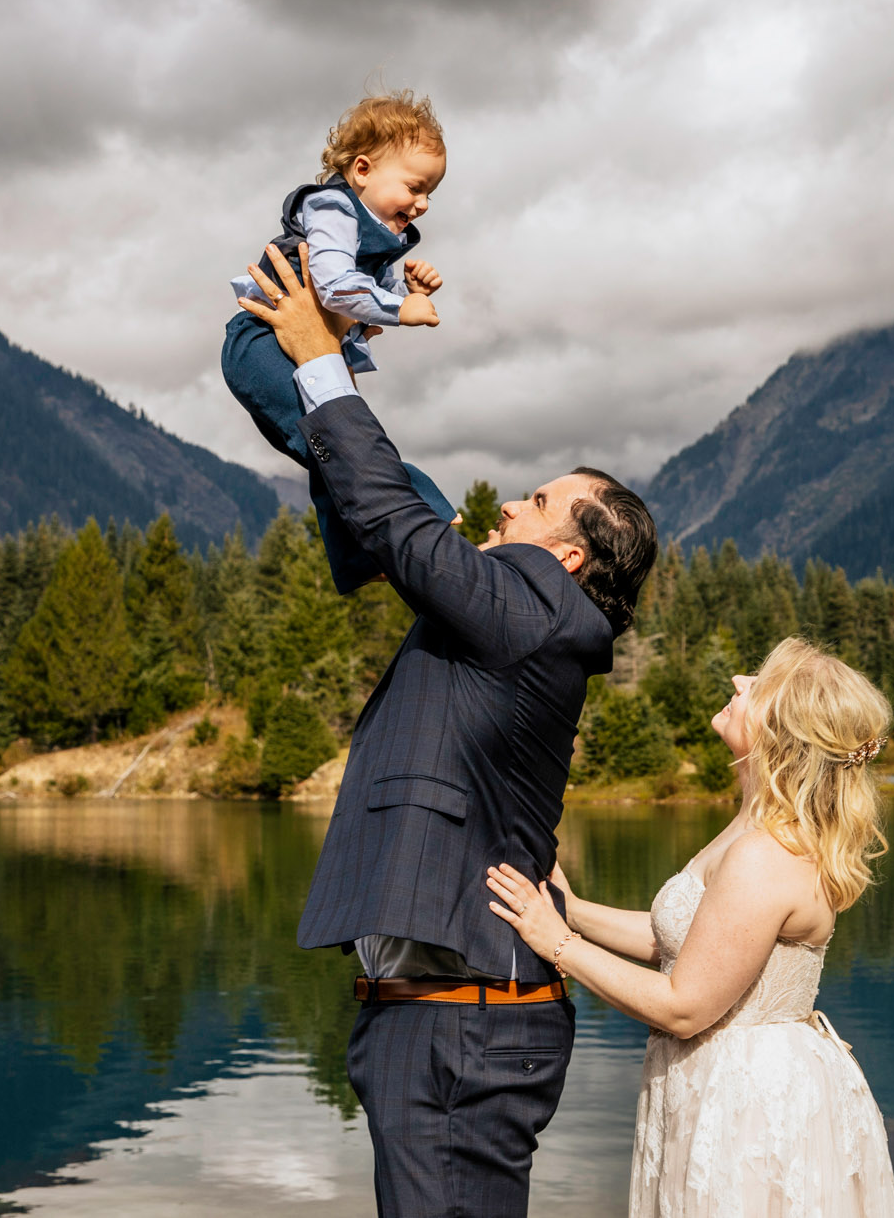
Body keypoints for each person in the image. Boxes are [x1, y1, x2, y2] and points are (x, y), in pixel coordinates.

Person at [235, 241, 659, 1218]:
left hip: (460, 1025)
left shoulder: (541, 606)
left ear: (564, 554)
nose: (508, 500)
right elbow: (384, 506)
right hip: (438, 1019)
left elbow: (399, 521)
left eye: (538, 500)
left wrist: (319, 361)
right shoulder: (511, 612)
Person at [487, 637, 894, 1217]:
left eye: (759, 684)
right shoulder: (753, 827)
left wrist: (557, 943)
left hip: (750, 1104)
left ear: (784, 731)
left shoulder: (767, 855)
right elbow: (681, 943)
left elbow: (685, 1004)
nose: (738, 681)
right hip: (718, 1084)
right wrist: (570, 908)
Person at [223, 89, 460, 593]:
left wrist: (404, 287)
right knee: (341, 440)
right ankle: (424, 513)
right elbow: (333, 285)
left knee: (325, 452)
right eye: (415, 187)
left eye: (429, 195)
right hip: (265, 342)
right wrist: (402, 309)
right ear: (362, 170)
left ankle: (356, 560)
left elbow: (358, 285)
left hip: (296, 343)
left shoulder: (374, 225)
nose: (421, 204)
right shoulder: (332, 206)